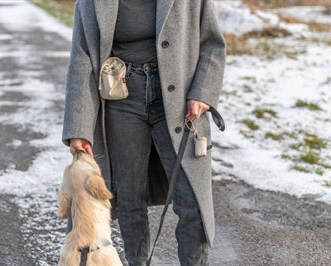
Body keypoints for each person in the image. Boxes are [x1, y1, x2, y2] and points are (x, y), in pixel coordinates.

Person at [62, 0, 226, 265]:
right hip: (121, 99)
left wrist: (202, 92)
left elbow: (212, 44)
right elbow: (82, 57)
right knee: (129, 199)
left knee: (191, 199)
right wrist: (78, 128)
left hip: (179, 101)